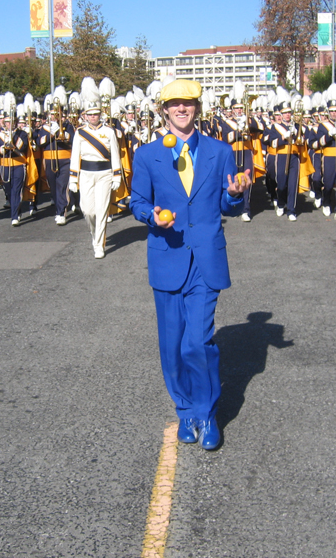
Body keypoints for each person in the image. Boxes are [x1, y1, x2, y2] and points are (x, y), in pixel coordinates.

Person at [130, 79, 251, 451]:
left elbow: (227, 205)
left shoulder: (220, 151)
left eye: (189, 103)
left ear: (198, 108)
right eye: (175, 104)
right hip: (167, 256)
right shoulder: (147, 154)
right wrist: (152, 215)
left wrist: (234, 195)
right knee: (172, 348)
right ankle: (185, 411)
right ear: (164, 110)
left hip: (205, 260)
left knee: (196, 343)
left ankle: (207, 413)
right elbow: (136, 201)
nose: (182, 109)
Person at [69, 100, 121, 258]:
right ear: (85, 116)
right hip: (85, 174)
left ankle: (99, 244)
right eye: (90, 114)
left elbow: (115, 154)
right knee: (88, 211)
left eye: (95, 114)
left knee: (101, 210)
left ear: (100, 114)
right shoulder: (80, 132)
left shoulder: (109, 132)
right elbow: (75, 155)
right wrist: (73, 179)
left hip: (104, 174)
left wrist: (116, 176)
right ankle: (95, 234)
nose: (93, 117)